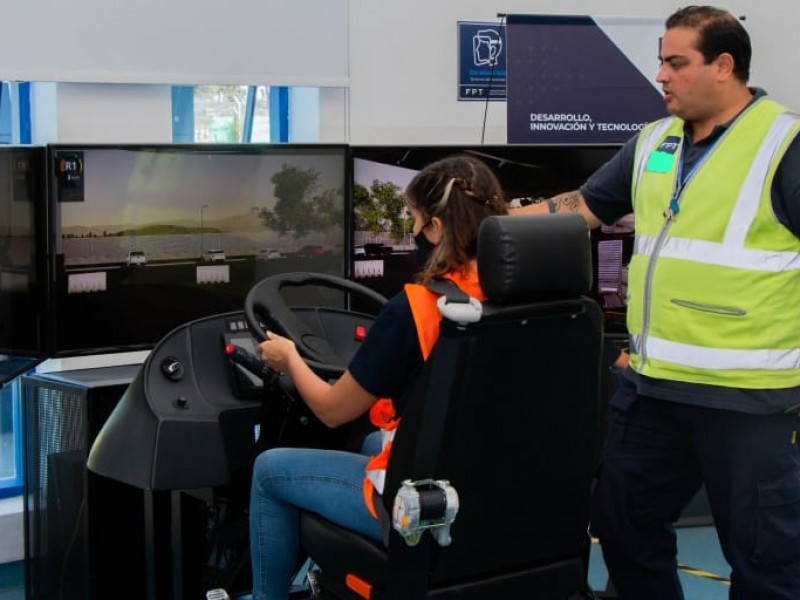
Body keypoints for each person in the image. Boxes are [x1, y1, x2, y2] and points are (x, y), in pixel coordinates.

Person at [516, 6, 800, 598]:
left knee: (765, 561)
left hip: (751, 401)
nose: (662, 76)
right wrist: (496, 225)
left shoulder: (783, 143)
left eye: (676, 62)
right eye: (660, 63)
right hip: (654, 389)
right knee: (622, 525)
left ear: (724, 66)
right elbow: (584, 208)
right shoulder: (652, 142)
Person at [247, 155, 508, 600]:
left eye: (416, 222)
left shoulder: (417, 310)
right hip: (504, 491)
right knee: (373, 442)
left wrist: (291, 357)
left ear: (438, 230)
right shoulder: (538, 299)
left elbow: (332, 411)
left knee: (268, 471)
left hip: (427, 505)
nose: (412, 234)